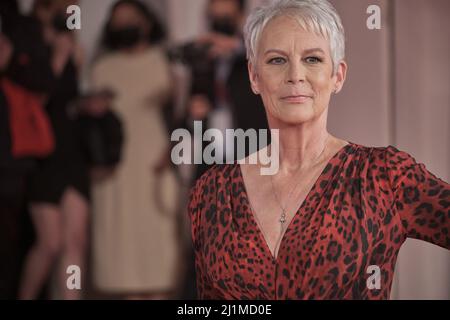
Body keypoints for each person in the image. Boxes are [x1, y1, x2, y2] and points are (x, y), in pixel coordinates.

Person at [187, 0, 450, 299]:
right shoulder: (211, 192)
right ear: (254, 76)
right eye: (276, 60)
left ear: (337, 75)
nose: (295, 75)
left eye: (312, 59)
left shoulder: (384, 176)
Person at [90, 0, 178, 299]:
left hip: (156, 159)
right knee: (121, 250)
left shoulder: (164, 61)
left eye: (131, 18)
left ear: (147, 23)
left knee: (158, 247)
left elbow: (184, 114)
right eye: (119, 20)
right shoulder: (102, 67)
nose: (125, 25)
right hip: (116, 166)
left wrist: (175, 149)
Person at [19, 0, 90, 300]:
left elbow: (70, 96)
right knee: (50, 242)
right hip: (41, 150)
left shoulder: (71, 40)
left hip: (71, 148)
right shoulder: (27, 37)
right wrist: (59, 56)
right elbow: (34, 95)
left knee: (75, 241)